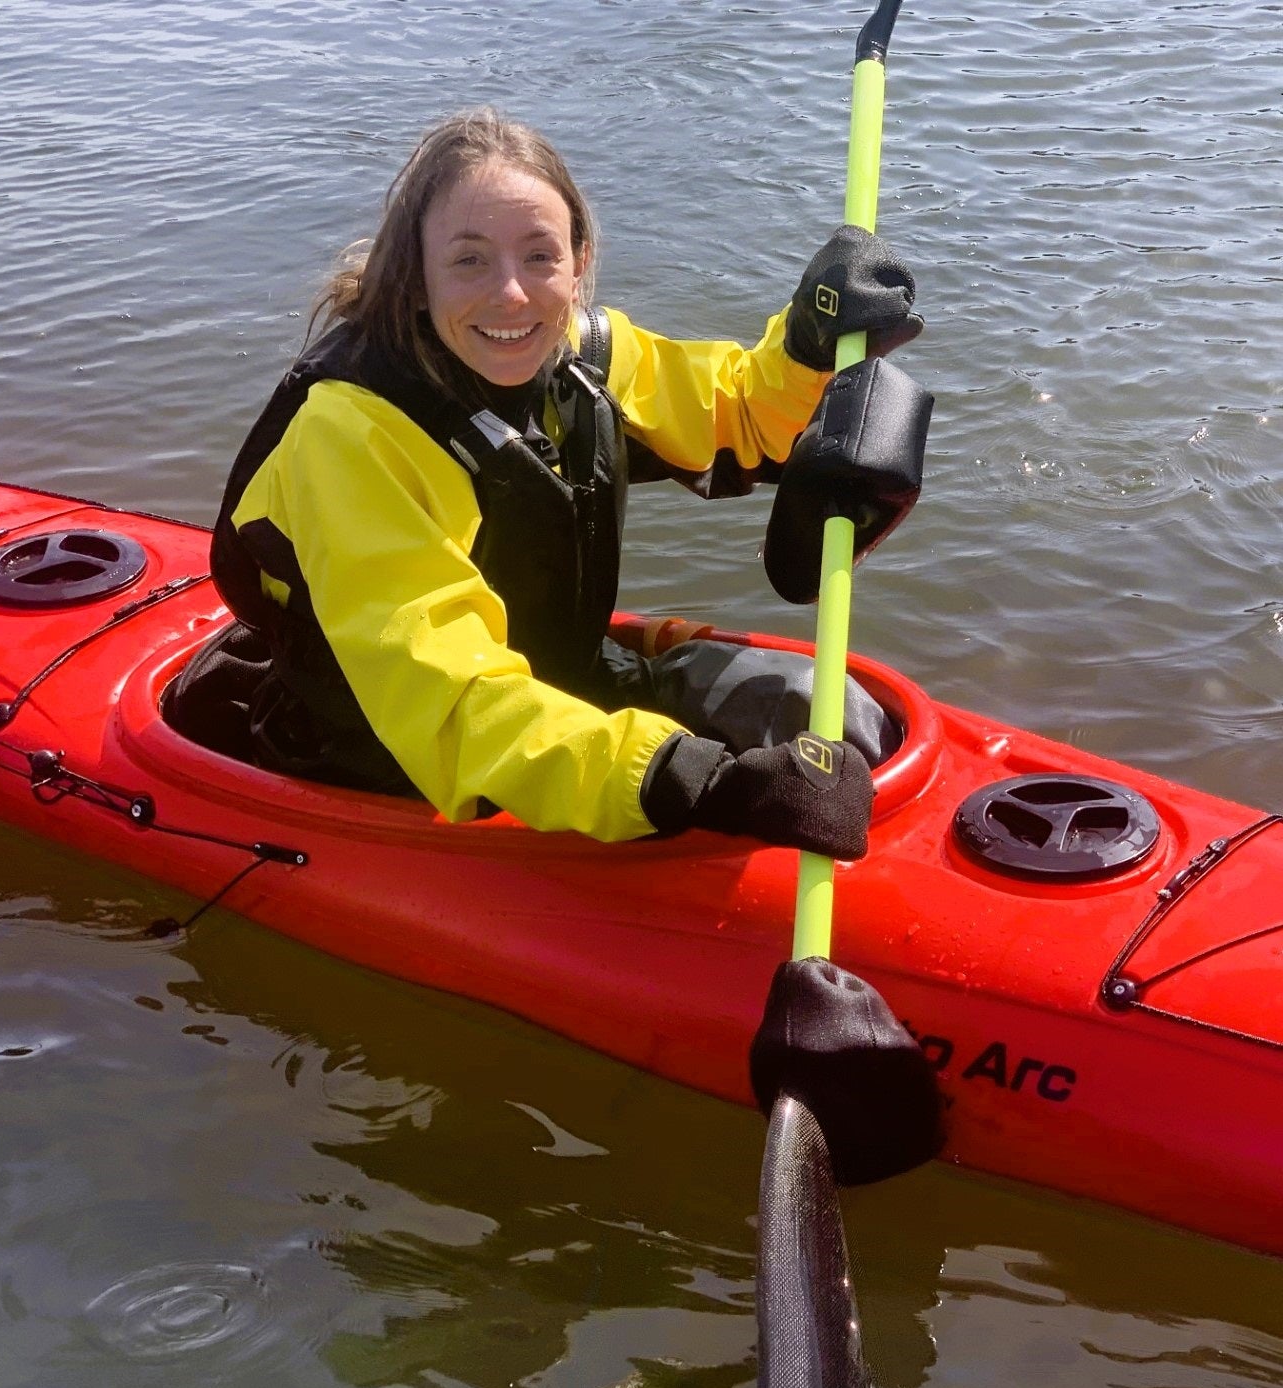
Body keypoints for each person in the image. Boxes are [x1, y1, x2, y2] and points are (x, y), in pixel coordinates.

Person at [203, 107, 924, 857]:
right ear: (413, 277)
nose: (512, 296)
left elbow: (737, 412)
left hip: (558, 692)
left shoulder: (579, 352)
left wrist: (810, 340)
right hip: (398, 760)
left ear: (578, 264)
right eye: (469, 260)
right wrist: (708, 787)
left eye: (539, 256)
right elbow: (454, 704)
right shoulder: (348, 435)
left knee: (826, 709)